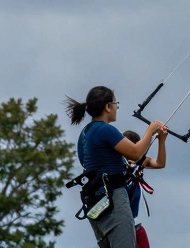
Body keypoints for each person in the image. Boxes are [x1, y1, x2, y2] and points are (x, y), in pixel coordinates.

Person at [64, 86, 166, 248]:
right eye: (115, 103)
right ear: (107, 106)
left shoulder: (85, 133)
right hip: (114, 199)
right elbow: (136, 153)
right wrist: (151, 129)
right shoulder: (105, 130)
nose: (116, 108)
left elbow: (88, 164)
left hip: (95, 204)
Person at [122, 129, 165, 248]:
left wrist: (161, 141)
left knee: (141, 234)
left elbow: (160, 163)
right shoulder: (117, 163)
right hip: (119, 221)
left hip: (132, 223)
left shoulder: (138, 163)